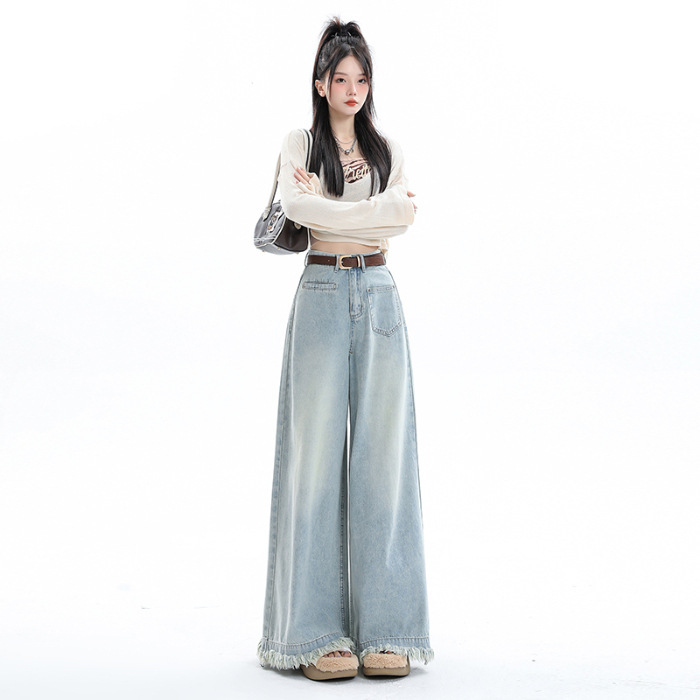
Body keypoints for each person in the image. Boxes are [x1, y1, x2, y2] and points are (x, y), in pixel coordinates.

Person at [257, 17, 433, 681]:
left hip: (380, 294)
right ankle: (311, 635)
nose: (352, 88)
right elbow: (300, 213)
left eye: (362, 78)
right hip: (322, 294)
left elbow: (404, 219)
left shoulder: (387, 147)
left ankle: (388, 630)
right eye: (340, 78)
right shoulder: (299, 143)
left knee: (385, 460)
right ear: (321, 83)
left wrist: (335, 210)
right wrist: (374, 214)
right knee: (314, 461)